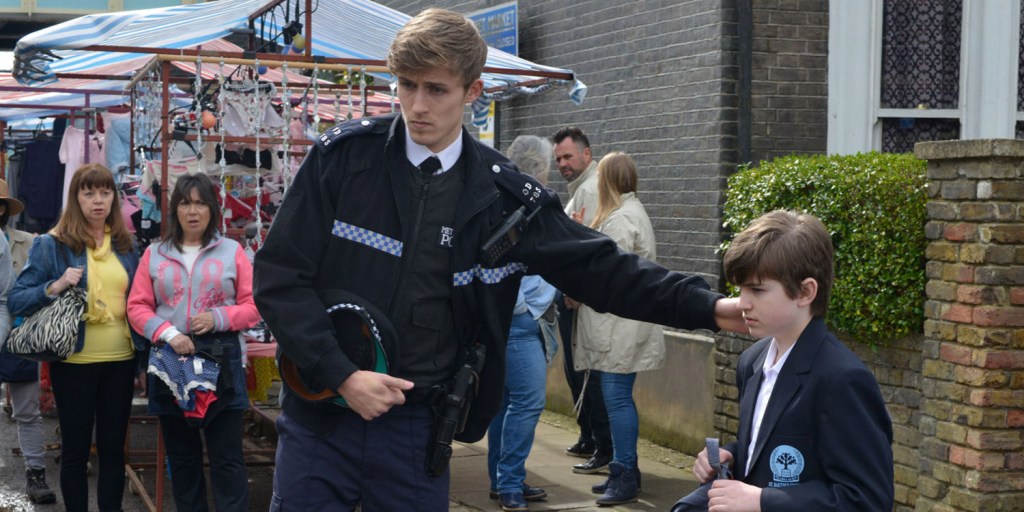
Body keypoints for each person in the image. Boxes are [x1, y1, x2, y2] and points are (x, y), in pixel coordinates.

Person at [253, 8, 744, 511]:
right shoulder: (341, 161)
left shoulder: (507, 198)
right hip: (321, 415)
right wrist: (341, 373)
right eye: (406, 84)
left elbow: (602, 268)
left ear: (472, 91)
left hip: (417, 430)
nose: (416, 105)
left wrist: (707, 308)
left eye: (436, 89)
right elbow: (277, 277)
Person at [686, 210, 894, 511]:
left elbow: (868, 500)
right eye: (740, 288)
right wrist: (732, 456)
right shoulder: (751, 361)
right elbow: (770, 452)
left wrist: (762, 501)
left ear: (806, 291)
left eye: (757, 290)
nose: (741, 302)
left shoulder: (842, 379)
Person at [10, 163, 147, 512]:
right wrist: (54, 286)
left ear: (114, 198)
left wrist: (144, 359)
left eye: (104, 192)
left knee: (114, 450)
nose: (97, 201)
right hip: (73, 362)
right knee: (75, 450)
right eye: (89, 193)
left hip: (121, 361)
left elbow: (141, 303)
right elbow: (17, 298)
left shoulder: (126, 246)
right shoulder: (51, 244)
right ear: (76, 198)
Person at [127, 173, 260, 511]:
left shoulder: (232, 251)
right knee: (183, 461)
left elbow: (254, 306)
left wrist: (218, 318)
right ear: (175, 210)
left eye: (201, 202)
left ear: (213, 209)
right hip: (173, 362)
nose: (193, 211)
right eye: (185, 202)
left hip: (221, 361)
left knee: (227, 460)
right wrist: (168, 332)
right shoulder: (155, 254)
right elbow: (137, 307)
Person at [571, 152, 661, 505]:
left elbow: (607, 275)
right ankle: (625, 469)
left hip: (619, 328)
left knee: (617, 399)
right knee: (617, 398)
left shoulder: (622, 219)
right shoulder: (625, 213)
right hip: (621, 325)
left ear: (608, 181)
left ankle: (624, 474)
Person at [486, 135, 558, 511]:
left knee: (506, 403)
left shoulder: (510, 196)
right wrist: (523, 310)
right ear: (539, 166)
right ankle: (510, 482)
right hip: (520, 323)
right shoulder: (525, 202)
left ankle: (504, 480)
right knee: (528, 402)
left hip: (517, 320)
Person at [550, 126, 613, 474]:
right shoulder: (580, 189)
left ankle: (601, 444)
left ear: (586, 155)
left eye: (568, 157)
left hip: (580, 301)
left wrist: (574, 290)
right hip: (573, 298)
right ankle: (588, 436)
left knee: (586, 373)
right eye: (558, 158)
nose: (562, 164)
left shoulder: (590, 189)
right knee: (576, 372)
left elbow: (586, 249)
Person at [0, 179, 56, 504]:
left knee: (28, 410)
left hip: (19, 331)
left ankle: (36, 474)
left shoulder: (27, 241)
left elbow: (12, 295)